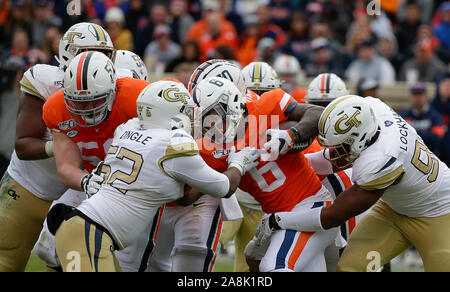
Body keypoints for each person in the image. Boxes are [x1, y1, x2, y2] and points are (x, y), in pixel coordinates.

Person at [47, 79, 259, 272]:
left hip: (85, 227)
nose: (190, 117)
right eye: (186, 111)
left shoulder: (127, 129)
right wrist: (239, 163)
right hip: (90, 232)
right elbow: (224, 187)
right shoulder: (174, 144)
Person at [257, 94, 450, 272]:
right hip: (394, 210)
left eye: (342, 145)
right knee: (350, 268)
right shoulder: (371, 110)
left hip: (440, 213)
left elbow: (332, 216)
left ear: (359, 141)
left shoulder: (380, 160)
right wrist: (286, 160)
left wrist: (279, 220)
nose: (336, 150)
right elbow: (336, 158)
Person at [193, 73, 340, 272]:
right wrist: (236, 167)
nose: (210, 124)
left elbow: (318, 114)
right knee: (253, 256)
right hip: (278, 216)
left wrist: (291, 136)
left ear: (234, 104)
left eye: (214, 114)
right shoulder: (210, 147)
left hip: (309, 206)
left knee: (274, 267)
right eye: (204, 116)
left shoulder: (266, 108)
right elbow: (206, 191)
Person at [0, 22, 115, 272]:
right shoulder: (45, 80)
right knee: (5, 260)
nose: (97, 61)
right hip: (29, 187)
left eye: (104, 54)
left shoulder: (118, 88)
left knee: (66, 264)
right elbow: (23, 145)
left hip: (79, 193)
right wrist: (62, 148)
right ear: (68, 54)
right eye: (89, 53)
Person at [41, 51, 153, 272]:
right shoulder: (57, 109)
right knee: (47, 245)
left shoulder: (138, 98)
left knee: (134, 258)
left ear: (113, 91)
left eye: (95, 100)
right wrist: (86, 181)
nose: (87, 110)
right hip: (94, 179)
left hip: (137, 186)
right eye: (79, 103)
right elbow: (66, 166)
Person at [147, 64, 247, 272]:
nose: (227, 124)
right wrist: (236, 165)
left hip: (199, 199)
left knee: (192, 259)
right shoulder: (167, 107)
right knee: (149, 262)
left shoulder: (241, 122)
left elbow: (190, 195)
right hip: (160, 198)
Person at [400, 82, 445, 155]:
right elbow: (400, 139)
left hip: (431, 156)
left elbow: (437, 138)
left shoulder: (435, 116)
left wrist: (413, 135)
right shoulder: (403, 116)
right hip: (409, 155)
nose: (418, 98)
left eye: (420, 95)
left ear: (426, 96)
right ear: (410, 97)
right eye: (415, 95)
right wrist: (426, 135)